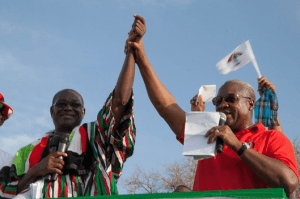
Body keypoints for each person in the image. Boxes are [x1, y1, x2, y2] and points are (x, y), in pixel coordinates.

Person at [127, 31, 299, 197]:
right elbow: (165, 106)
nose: (222, 104)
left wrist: (238, 146)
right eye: (217, 101)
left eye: (231, 99)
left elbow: (289, 181)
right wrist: (141, 58)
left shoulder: (271, 138)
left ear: (250, 103)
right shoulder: (207, 133)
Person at [0, 15, 146, 198]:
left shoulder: (96, 137)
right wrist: (36, 170)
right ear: (51, 111)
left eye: (75, 104)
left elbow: (119, 103)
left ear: (83, 112)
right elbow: (5, 191)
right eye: (61, 104)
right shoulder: (27, 152)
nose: (68, 107)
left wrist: (131, 51)